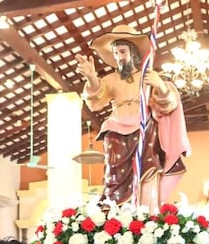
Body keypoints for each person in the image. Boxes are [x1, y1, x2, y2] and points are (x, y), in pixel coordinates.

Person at [76, 24, 191, 209]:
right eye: (115, 53)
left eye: (122, 51)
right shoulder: (111, 79)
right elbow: (95, 100)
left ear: (133, 52)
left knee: (148, 167)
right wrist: (91, 77)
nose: (119, 57)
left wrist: (159, 85)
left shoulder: (148, 77)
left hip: (143, 127)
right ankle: (114, 207)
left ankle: (146, 209)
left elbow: (168, 104)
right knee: (114, 170)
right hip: (115, 129)